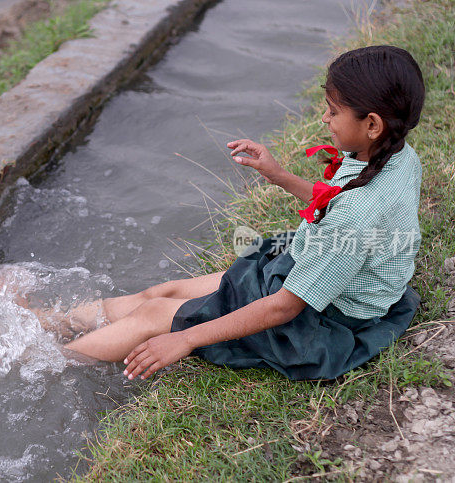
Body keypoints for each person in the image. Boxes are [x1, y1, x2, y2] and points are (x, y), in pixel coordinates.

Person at [59, 45, 426, 381]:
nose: (324, 117)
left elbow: (283, 309)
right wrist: (278, 175)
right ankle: (51, 322)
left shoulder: (355, 216)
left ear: (372, 124)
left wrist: (184, 339)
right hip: (313, 275)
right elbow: (339, 199)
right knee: (164, 291)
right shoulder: (396, 155)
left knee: (154, 316)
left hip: (316, 320)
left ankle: (51, 361)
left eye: (333, 110)